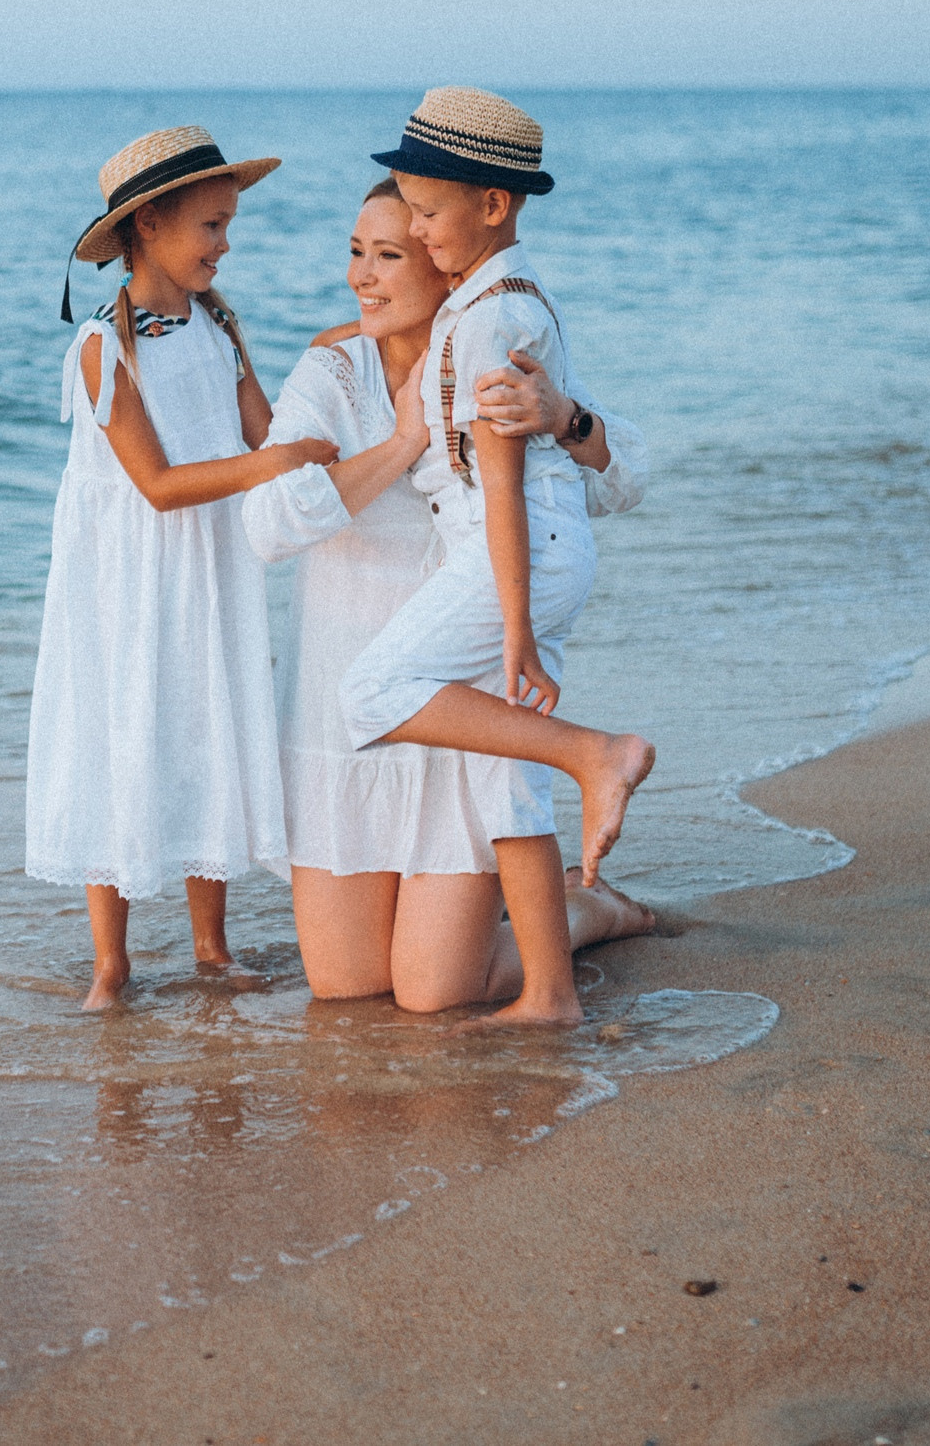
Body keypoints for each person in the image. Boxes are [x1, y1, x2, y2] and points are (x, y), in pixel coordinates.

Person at [246, 177, 657, 1009]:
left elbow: (626, 481)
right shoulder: (333, 368)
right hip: (348, 731)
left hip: (456, 713)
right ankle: (541, 901)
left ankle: (586, 911)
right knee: (347, 984)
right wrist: (403, 442)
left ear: (444, 264)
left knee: (434, 992)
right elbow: (268, 524)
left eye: (391, 254)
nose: (363, 276)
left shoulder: (485, 344)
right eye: (356, 252)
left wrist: (563, 415)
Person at [26, 126, 338, 1011]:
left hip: (213, 566)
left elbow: (262, 433)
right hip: (130, 576)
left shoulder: (218, 324)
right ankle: (110, 964)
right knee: (121, 729)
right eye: (211, 224)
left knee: (211, 724)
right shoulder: (102, 346)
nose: (225, 244)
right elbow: (158, 486)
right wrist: (272, 467)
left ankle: (211, 948)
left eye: (230, 224)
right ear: (151, 224)